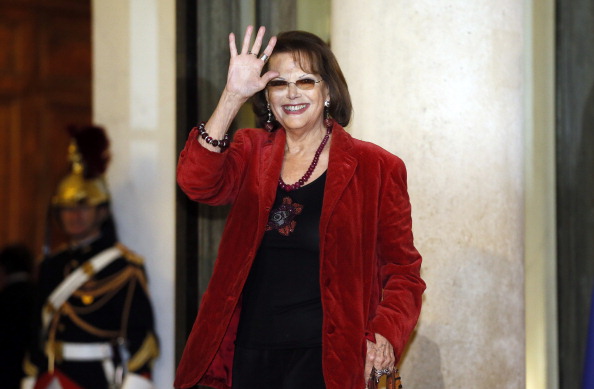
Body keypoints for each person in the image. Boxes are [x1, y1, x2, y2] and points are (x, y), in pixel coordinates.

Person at [175, 26, 425, 389]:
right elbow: (196, 182)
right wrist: (231, 96)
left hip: (328, 360)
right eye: (278, 83)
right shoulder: (249, 150)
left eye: (305, 81)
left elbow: (404, 271)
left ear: (327, 91)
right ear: (268, 97)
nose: (291, 93)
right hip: (246, 354)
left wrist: (385, 333)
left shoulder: (377, 167)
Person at [22, 125, 159, 389]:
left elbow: (141, 340)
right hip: (49, 379)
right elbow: (36, 332)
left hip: (95, 379)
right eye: (67, 208)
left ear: (102, 211)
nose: (75, 215)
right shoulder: (52, 265)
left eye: (84, 206)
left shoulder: (124, 268)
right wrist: (31, 378)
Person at [0, 244, 36, 389]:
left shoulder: (3, 299)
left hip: (5, 372)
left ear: (3, 269)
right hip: (33, 371)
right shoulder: (40, 295)